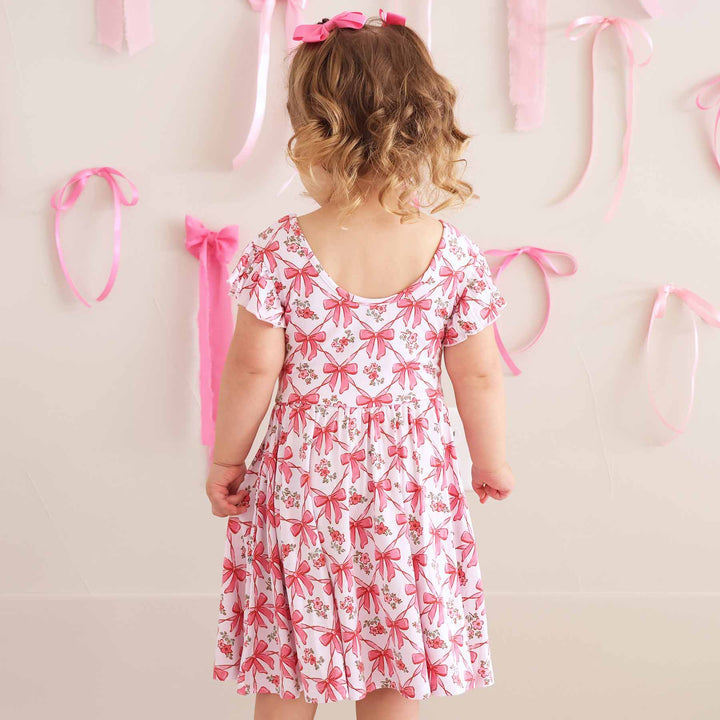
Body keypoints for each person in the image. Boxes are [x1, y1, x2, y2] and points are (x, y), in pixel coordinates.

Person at [208, 9, 515, 719]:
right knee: (395, 653)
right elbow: (478, 374)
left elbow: (251, 370)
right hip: (409, 487)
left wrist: (228, 458)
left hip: (305, 482)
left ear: (316, 133)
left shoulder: (283, 249)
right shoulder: (453, 254)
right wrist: (490, 460)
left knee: (292, 655)